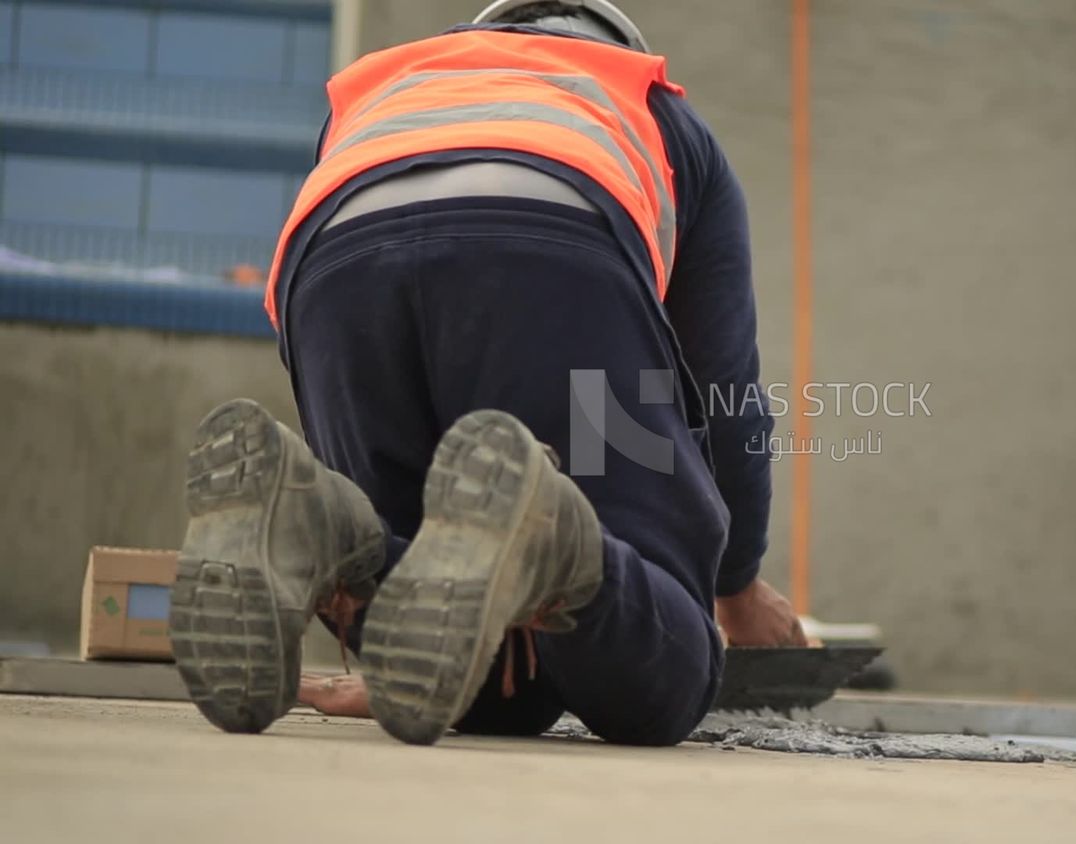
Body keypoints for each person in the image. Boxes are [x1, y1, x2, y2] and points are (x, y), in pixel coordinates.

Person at [167, 0, 804, 748]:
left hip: (334, 272)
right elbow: (724, 389)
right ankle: (557, 536)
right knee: (666, 680)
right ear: (619, 45)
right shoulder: (647, 104)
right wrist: (735, 589)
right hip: (554, 248)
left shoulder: (388, 89)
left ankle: (325, 530)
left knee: (481, 687)